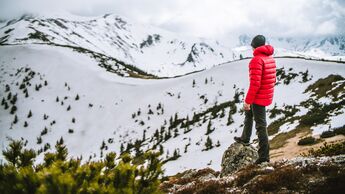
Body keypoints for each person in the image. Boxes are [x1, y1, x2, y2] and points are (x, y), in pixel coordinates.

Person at [234, 35, 276, 164]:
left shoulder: (256, 60)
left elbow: (255, 84)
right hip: (265, 94)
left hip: (258, 97)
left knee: (261, 126)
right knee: (249, 115)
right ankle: (245, 138)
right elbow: (272, 79)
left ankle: (264, 157)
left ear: (253, 46)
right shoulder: (270, 58)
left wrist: (247, 101)